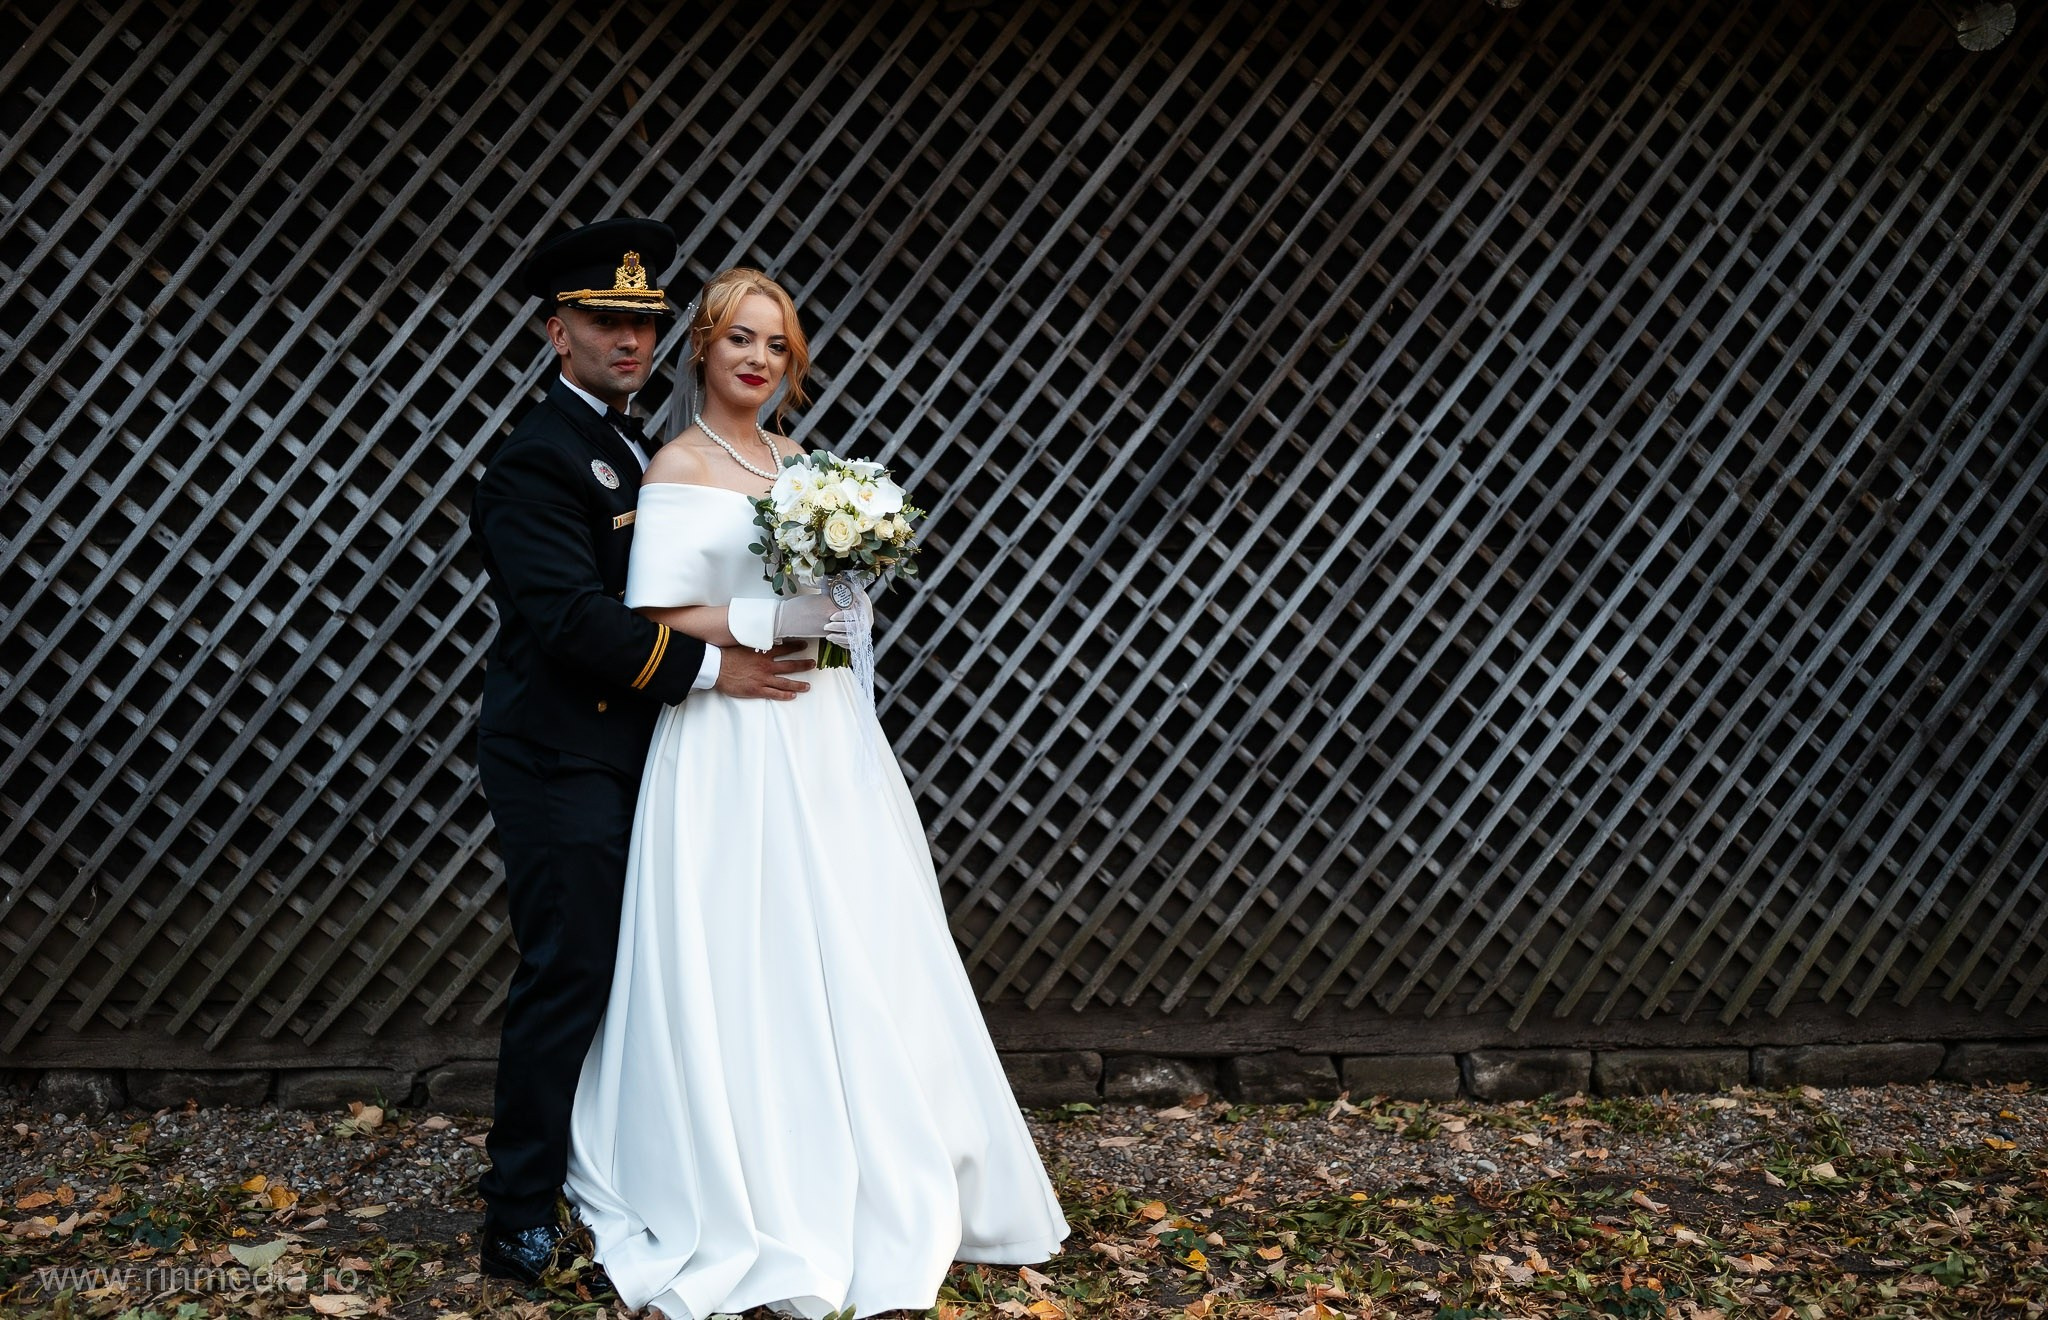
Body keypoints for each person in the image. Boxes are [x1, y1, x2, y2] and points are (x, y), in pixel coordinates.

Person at [561, 267, 1071, 1319]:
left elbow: (838, 611)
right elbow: (656, 604)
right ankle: (754, 1171)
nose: (757, 358)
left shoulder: (806, 467)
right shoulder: (676, 464)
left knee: (859, 930)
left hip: (823, 726)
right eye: (740, 339)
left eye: (776, 345)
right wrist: (761, 633)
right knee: (751, 938)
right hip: (729, 731)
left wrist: (831, 610)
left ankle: (883, 1159)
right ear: (702, 348)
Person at [469, 219, 817, 1284]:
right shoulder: (532, 463)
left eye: (643, 324)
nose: (630, 341)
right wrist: (723, 670)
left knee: (667, 975)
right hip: (562, 758)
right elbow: (575, 621)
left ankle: (635, 1167)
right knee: (569, 972)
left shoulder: (638, 444)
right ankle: (517, 1207)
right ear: (554, 330)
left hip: (657, 755)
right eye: (606, 322)